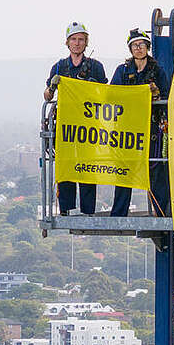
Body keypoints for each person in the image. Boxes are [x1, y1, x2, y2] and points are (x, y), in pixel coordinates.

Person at [44, 22, 108, 216]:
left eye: (81, 39)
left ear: (86, 42)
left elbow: (106, 95)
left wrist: (93, 87)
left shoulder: (95, 67)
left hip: (89, 126)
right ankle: (66, 208)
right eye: (74, 39)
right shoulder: (59, 67)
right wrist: (53, 87)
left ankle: (88, 211)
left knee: (88, 167)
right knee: (67, 166)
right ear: (68, 42)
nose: (77, 43)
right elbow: (47, 96)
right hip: (65, 126)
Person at [110, 29, 171, 217]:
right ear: (130, 49)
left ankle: (160, 212)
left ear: (147, 48)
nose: (138, 48)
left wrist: (156, 95)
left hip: (151, 127)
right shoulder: (123, 71)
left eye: (142, 45)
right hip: (128, 129)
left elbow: (167, 97)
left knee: (155, 169)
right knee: (124, 170)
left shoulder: (157, 71)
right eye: (135, 45)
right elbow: (112, 95)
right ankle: (119, 213)